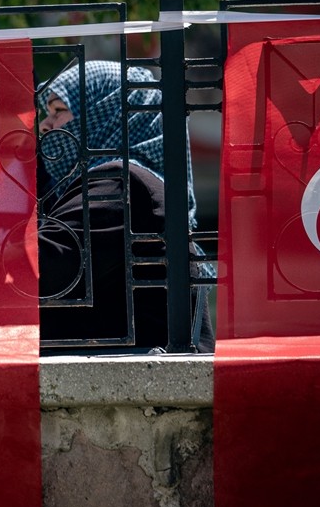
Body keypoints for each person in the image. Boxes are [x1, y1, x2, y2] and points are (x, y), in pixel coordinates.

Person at [36, 60, 215, 352]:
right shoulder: (127, 181)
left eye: (58, 111)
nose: (45, 125)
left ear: (104, 116)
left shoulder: (121, 183)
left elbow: (46, 265)